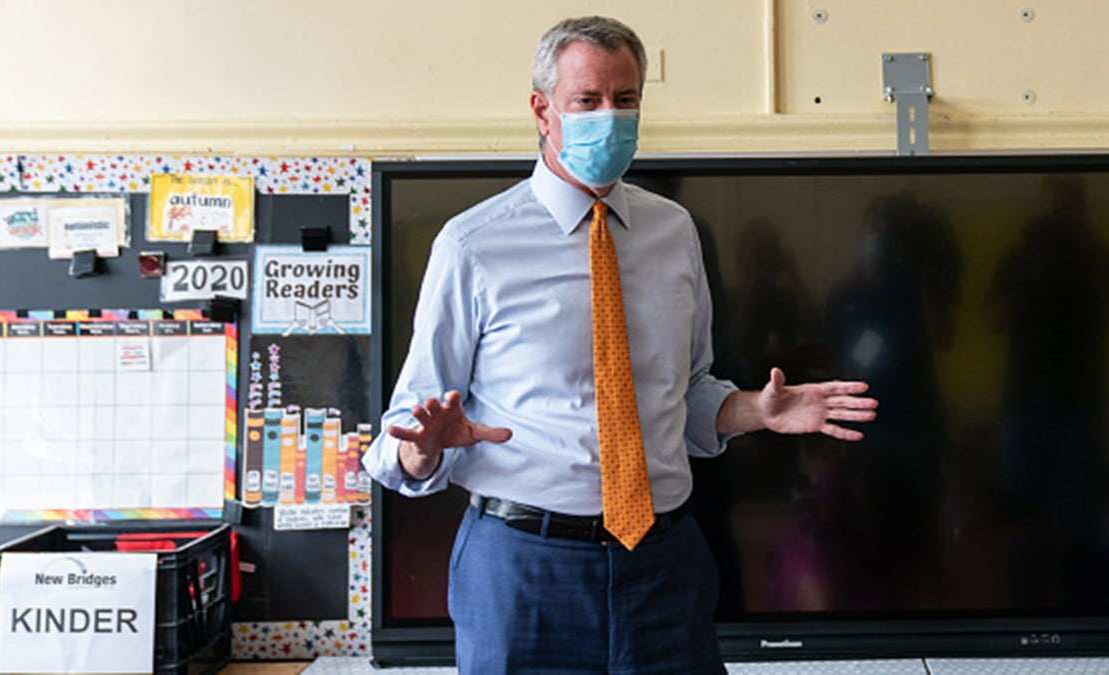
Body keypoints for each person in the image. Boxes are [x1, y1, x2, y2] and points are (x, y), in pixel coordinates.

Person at [364, 15, 877, 674]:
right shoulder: (472, 246)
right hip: (523, 567)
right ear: (542, 111)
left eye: (626, 99)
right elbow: (399, 436)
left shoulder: (676, 232)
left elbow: (685, 396)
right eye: (588, 101)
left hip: (663, 565)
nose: (611, 117)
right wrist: (422, 445)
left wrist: (759, 411)